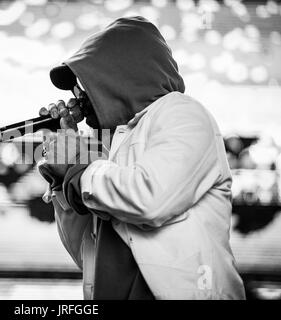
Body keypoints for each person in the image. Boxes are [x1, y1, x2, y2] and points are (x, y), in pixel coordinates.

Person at [37, 16, 245, 300]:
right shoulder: (114, 144)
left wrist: (75, 165)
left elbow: (149, 198)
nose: (78, 96)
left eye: (83, 84)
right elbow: (89, 257)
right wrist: (62, 178)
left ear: (118, 75)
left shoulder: (182, 113)